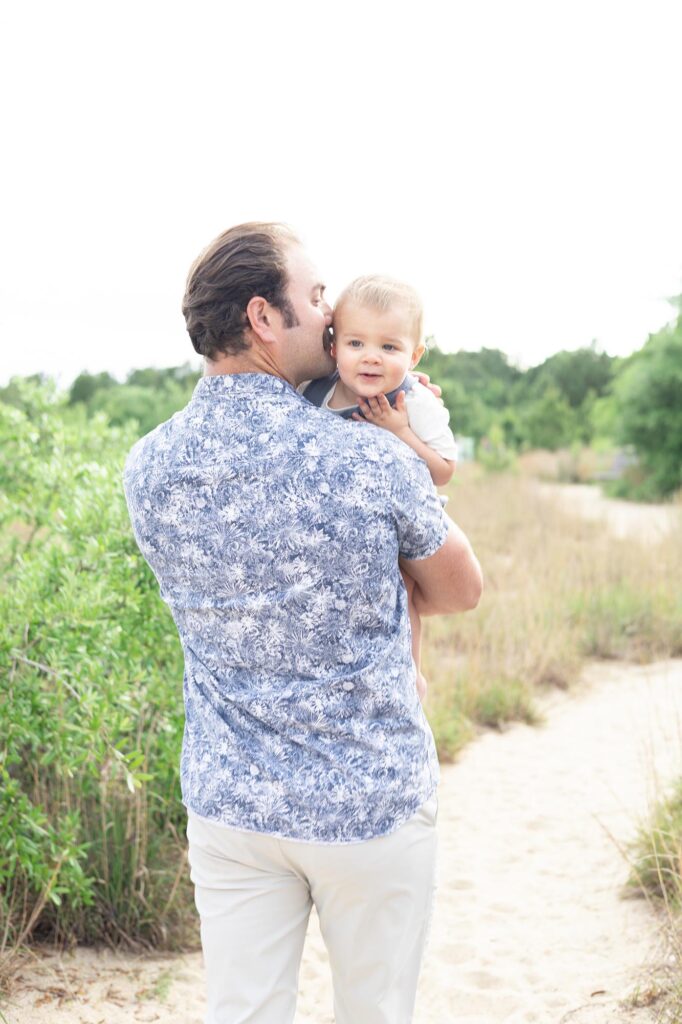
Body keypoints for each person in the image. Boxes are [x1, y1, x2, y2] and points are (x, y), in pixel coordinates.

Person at [123, 222, 482, 1024]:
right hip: (368, 802)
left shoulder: (147, 465)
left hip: (232, 805)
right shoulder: (372, 456)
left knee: (242, 1012)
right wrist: (407, 450)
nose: (330, 316)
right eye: (316, 298)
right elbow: (460, 591)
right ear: (261, 317)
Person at [300, 275, 459, 700]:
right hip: (338, 523)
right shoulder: (314, 391)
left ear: (415, 354)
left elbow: (444, 469)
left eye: (389, 348)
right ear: (333, 346)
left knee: (401, 590)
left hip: (405, 519)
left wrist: (400, 431)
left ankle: (412, 675)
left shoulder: (414, 401)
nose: (371, 358)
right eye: (356, 344)